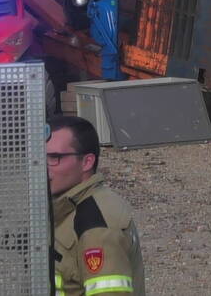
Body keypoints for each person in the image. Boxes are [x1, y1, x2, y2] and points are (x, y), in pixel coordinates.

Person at [48, 115, 145, 296]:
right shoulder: (65, 206)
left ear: (87, 162)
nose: (43, 166)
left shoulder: (96, 224)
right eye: (40, 156)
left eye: (55, 157)